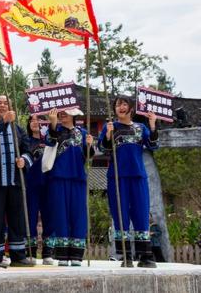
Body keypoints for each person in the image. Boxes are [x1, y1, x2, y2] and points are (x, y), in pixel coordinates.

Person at [98, 96, 159, 268]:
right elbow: (103, 149)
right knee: (120, 215)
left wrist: (153, 124)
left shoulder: (141, 128)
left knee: (141, 213)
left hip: (138, 176)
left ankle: (145, 256)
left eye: (124, 104)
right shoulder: (110, 127)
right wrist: (108, 135)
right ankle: (126, 256)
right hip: (117, 178)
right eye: (118, 105)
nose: (121, 107)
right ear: (115, 109)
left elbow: (153, 144)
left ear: (131, 108)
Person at [0, 95, 34, 267]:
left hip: (15, 182)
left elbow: (28, 151)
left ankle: (18, 256)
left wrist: (24, 160)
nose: (2, 105)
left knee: (17, 219)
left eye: (6, 103)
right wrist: (4, 122)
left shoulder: (19, 130)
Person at [45, 108, 92, 266]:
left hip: (78, 177)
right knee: (60, 215)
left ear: (74, 113)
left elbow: (88, 156)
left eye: (66, 111)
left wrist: (89, 146)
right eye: (61, 112)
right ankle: (62, 255)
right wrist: (52, 123)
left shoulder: (83, 132)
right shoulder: (54, 130)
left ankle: (77, 255)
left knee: (78, 215)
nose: (63, 113)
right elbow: (49, 142)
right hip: (57, 177)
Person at [24, 114, 54, 264]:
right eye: (31, 120)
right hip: (31, 183)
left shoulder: (50, 141)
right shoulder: (24, 141)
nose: (35, 122)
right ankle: (30, 251)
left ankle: (48, 253)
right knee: (31, 217)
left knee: (49, 216)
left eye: (38, 120)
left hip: (49, 182)